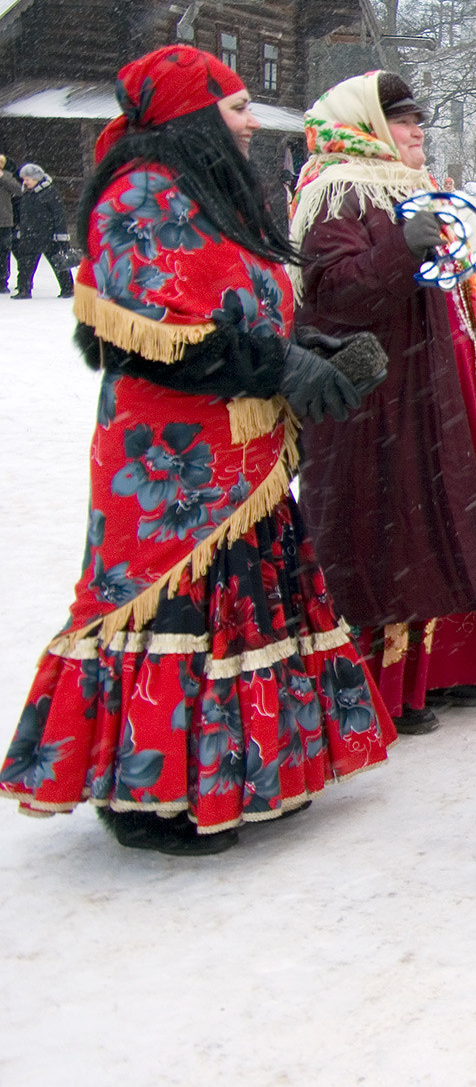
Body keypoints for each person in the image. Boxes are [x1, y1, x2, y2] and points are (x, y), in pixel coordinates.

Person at [0, 44, 394, 854]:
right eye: (238, 106)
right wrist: (280, 364)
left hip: (241, 453)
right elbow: (153, 335)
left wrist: (312, 346)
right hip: (168, 463)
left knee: (244, 606)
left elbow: (242, 307)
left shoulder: (214, 196)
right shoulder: (137, 195)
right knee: (176, 612)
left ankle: (245, 771)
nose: (252, 123)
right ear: (193, 114)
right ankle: (149, 798)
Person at [293, 71, 476, 734]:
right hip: (375, 401)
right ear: (368, 125)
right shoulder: (337, 190)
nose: (418, 132)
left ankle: (442, 668)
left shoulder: (402, 188)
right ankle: (386, 684)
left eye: (419, 121)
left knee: (435, 521)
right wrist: (402, 247)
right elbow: (334, 290)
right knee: (391, 530)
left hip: (426, 387)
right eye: (404, 121)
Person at [11, 163, 73, 299]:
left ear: (37, 178)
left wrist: (60, 235)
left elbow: (58, 215)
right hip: (29, 236)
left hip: (48, 236)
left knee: (58, 263)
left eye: (28, 179)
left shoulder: (50, 192)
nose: (25, 182)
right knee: (25, 265)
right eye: (24, 179)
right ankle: (23, 290)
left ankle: (68, 289)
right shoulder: (26, 194)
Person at [0, 155, 19, 294]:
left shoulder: (6, 177)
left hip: (4, 222)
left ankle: (2, 281)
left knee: (3, 253)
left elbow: (18, 190)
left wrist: (3, 177)